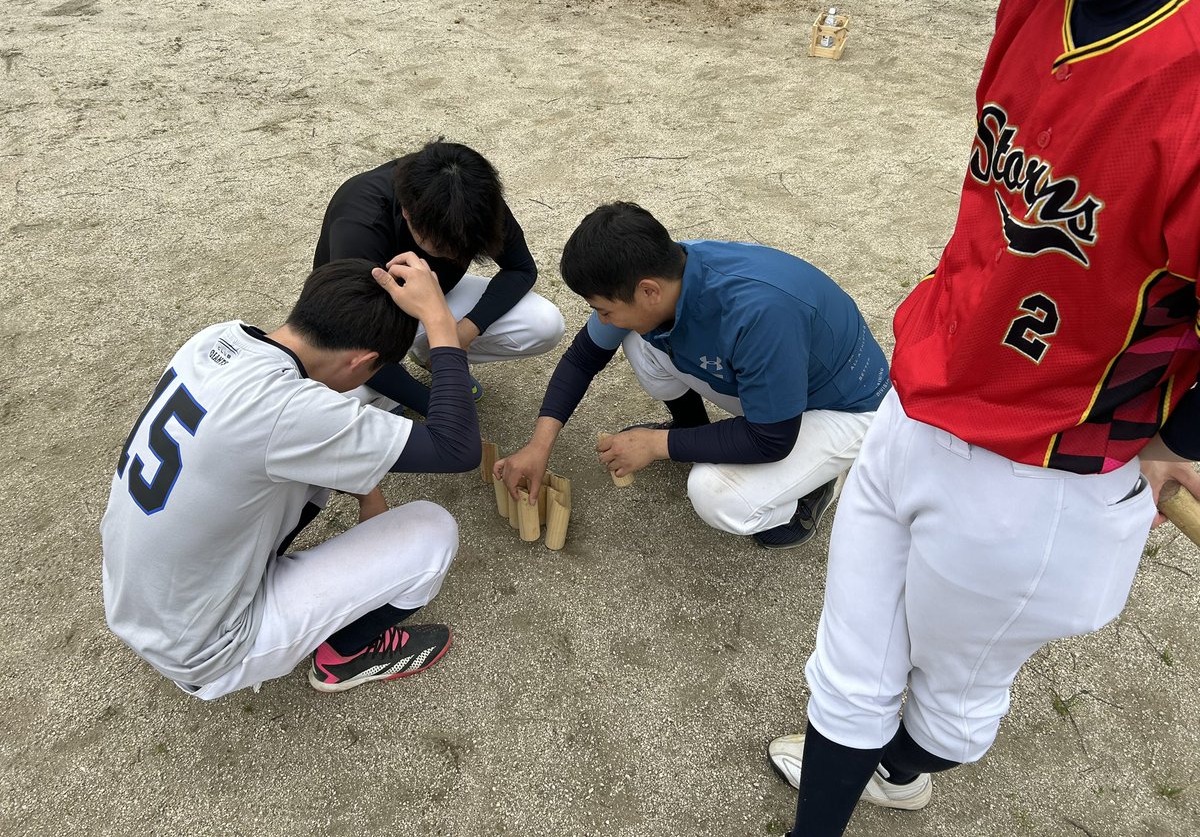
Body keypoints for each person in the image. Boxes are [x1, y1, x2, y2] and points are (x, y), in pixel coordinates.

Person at [767, 0, 1200, 833]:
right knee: (848, 673)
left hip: (1041, 475)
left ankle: (899, 770)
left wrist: (1183, 435)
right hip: (922, 390)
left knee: (952, 700)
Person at [101, 255, 481, 700]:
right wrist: (439, 321)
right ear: (363, 360)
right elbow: (457, 448)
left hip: (138, 600)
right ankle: (346, 655)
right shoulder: (289, 412)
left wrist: (367, 492)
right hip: (206, 649)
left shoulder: (217, 338)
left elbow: (295, 430)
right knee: (433, 531)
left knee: (347, 412)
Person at [496, 201, 890, 549]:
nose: (602, 319)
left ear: (648, 291)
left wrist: (656, 444)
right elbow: (583, 358)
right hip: (782, 386)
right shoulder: (666, 269)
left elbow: (771, 439)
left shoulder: (759, 314)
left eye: (604, 309)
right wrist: (539, 446)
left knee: (715, 495)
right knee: (638, 338)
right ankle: (690, 428)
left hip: (843, 408)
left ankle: (811, 488)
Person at [314, 140, 565, 414]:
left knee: (545, 323)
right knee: (337, 402)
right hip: (356, 324)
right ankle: (391, 391)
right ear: (407, 213)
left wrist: (459, 335)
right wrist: (444, 409)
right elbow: (353, 342)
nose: (456, 256)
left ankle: (425, 353)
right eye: (444, 248)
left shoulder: (471, 196)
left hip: (428, 303)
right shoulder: (361, 222)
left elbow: (521, 269)